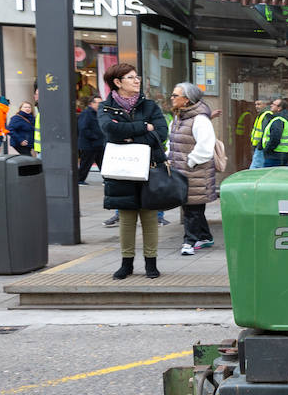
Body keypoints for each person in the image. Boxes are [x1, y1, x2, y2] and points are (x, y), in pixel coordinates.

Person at [99, 64, 168, 280]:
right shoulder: (106, 107)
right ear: (117, 82)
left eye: (137, 77)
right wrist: (143, 128)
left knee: (150, 218)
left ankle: (151, 263)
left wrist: (129, 137)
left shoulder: (150, 106)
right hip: (122, 169)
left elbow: (161, 133)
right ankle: (126, 264)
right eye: (131, 77)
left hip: (150, 168)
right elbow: (111, 130)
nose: (137, 80)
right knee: (126, 219)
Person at [168, 83, 218, 256]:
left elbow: (205, 148)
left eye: (175, 95)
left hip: (195, 173)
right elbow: (171, 142)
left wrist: (190, 162)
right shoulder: (178, 117)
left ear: (187, 100)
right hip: (182, 172)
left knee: (192, 209)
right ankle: (204, 236)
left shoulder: (200, 120)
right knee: (192, 208)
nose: (172, 98)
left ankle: (189, 241)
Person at [77, 95, 104, 184]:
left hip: (98, 144)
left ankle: (107, 180)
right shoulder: (86, 113)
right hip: (89, 145)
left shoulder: (99, 113)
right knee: (86, 163)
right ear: (91, 104)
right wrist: (95, 136)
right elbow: (83, 128)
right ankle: (80, 179)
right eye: (98, 103)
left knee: (102, 163)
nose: (100, 105)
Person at [260, 97, 288, 167]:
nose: (271, 105)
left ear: (279, 108)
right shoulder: (284, 119)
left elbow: (275, 138)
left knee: (270, 176)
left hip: (275, 155)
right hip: (283, 153)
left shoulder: (278, 120)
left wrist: (267, 150)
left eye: (274, 104)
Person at [246, 100, 272, 169]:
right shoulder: (261, 115)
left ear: (265, 105)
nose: (256, 106)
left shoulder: (266, 115)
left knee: (255, 168)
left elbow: (265, 132)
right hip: (257, 146)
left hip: (260, 148)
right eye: (255, 104)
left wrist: (260, 146)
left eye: (259, 104)